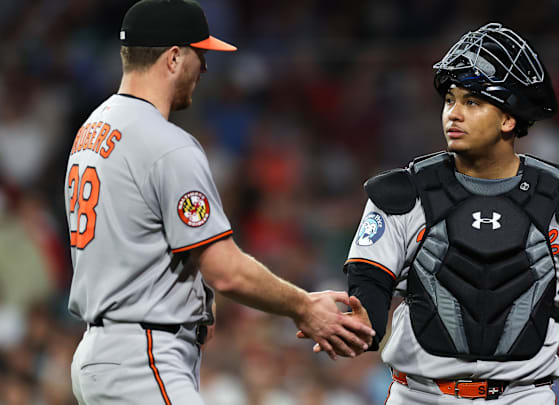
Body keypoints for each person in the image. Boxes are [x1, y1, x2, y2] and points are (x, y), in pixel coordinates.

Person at [64, 1, 374, 404]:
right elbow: (225, 271)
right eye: (200, 54)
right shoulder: (165, 143)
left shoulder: (92, 130)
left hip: (101, 352)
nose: (205, 68)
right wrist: (304, 306)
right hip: (142, 359)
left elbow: (139, 240)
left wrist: (194, 301)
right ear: (174, 57)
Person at [337, 23, 559, 404]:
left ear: (508, 118)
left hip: (524, 397)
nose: (453, 114)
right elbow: (368, 289)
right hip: (420, 395)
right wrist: (356, 326)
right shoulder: (403, 195)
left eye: (472, 102)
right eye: (449, 99)